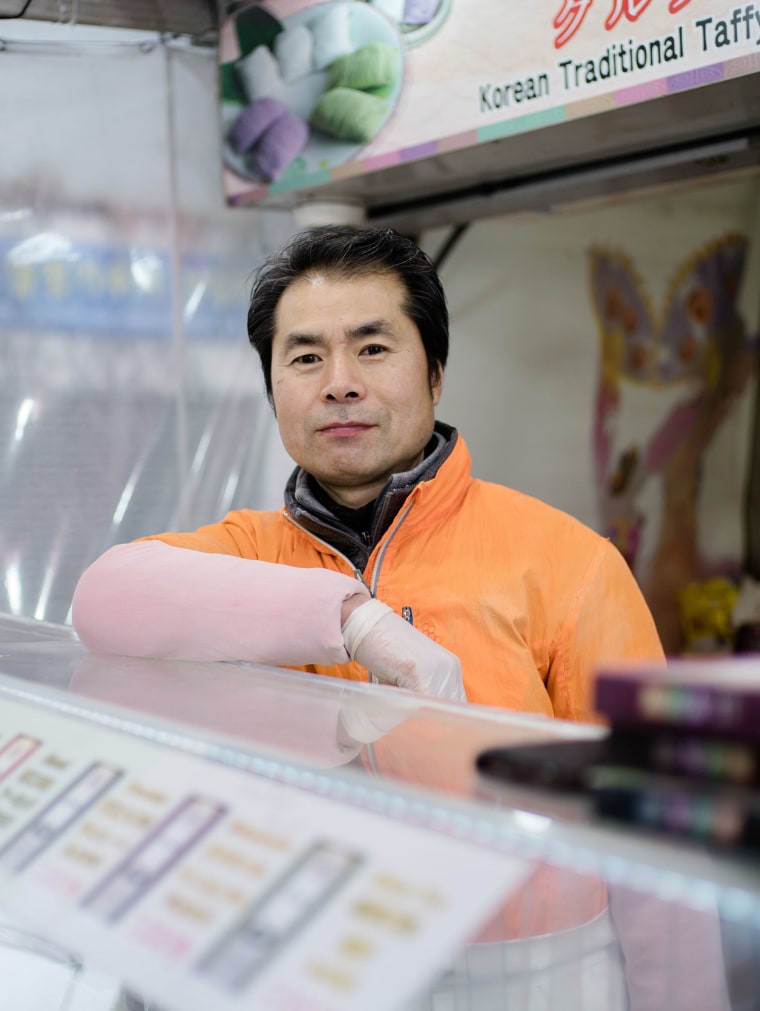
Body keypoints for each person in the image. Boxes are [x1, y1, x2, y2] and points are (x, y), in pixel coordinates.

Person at [72, 225, 664, 718]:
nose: (340, 384)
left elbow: (646, 802)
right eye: (306, 358)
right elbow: (101, 598)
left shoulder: (573, 567)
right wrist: (354, 620)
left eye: (373, 349)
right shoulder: (248, 550)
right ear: (273, 393)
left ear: (435, 375)